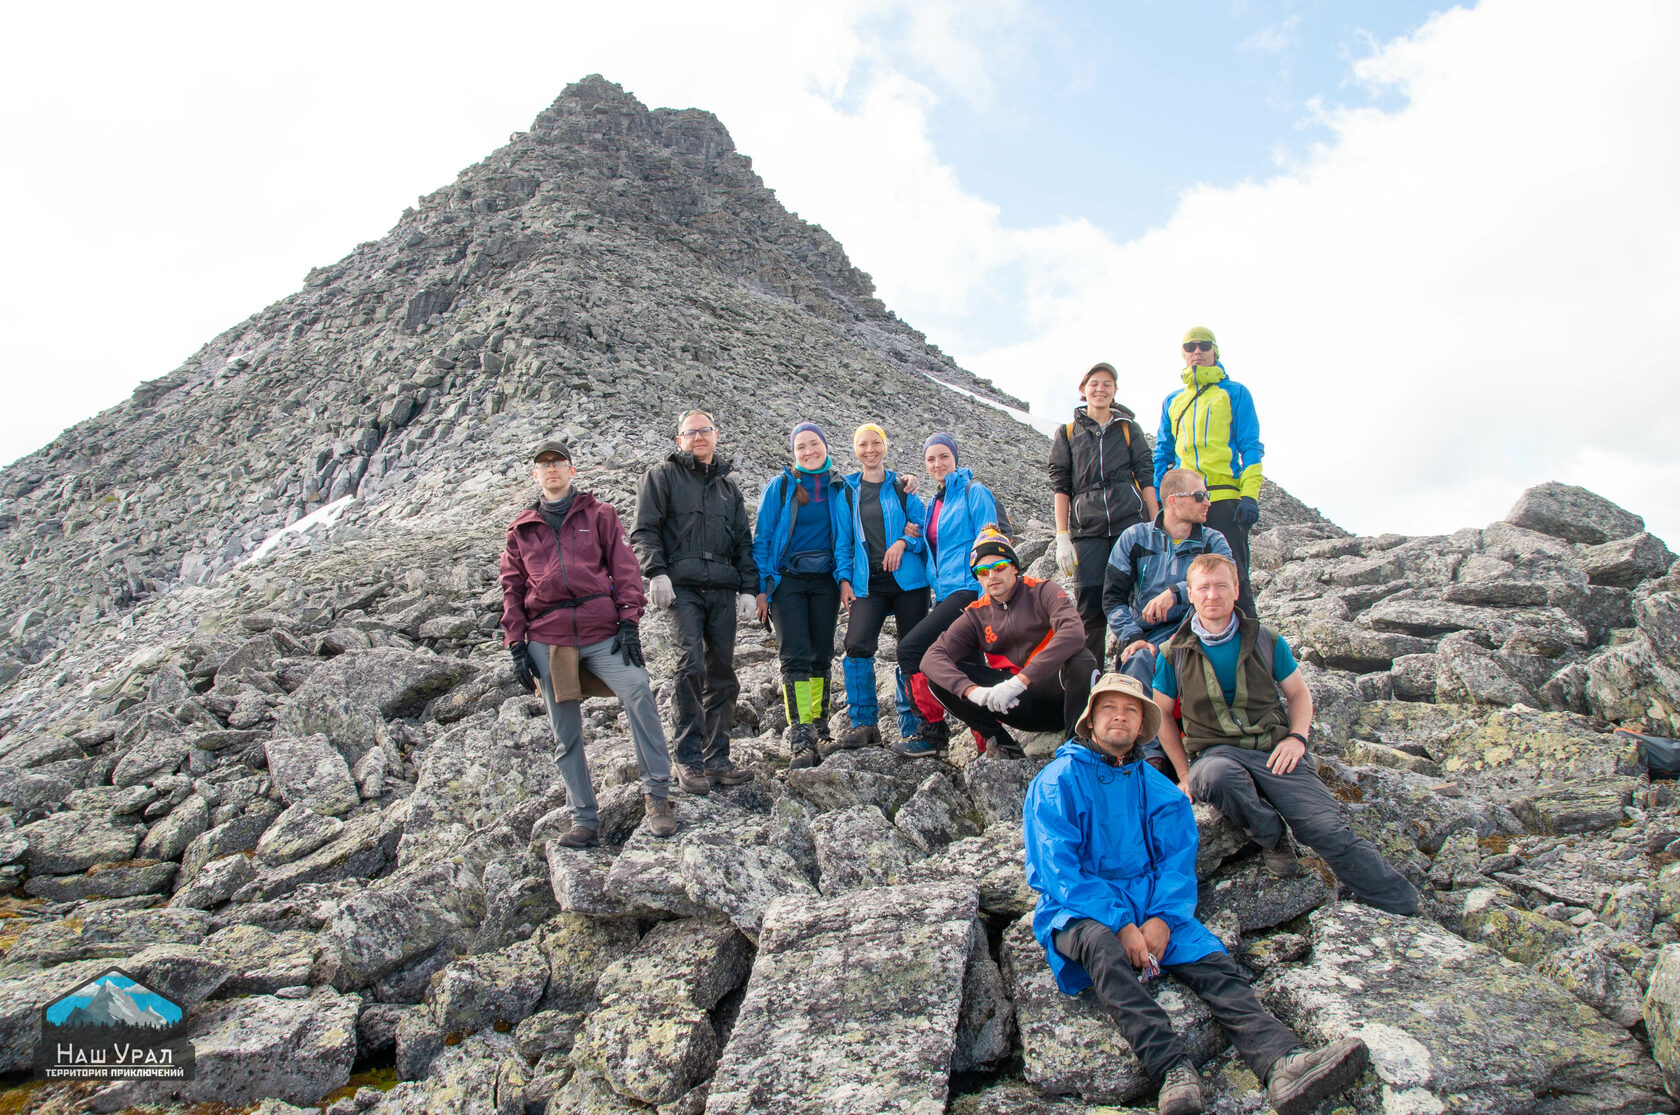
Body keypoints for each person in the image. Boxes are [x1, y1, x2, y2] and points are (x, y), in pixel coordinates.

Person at [1023, 672, 1371, 1115]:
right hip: (1076, 908)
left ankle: (1282, 1063)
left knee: (1214, 964)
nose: (1120, 717)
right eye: (1109, 708)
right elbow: (1057, 869)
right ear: (1090, 720)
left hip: (1152, 905)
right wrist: (1122, 925)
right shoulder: (1057, 780)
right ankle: (1172, 1070)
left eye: (1131, 710)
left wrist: (1163, 918)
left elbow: (1177, 862)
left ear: (1142, 725)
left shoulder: (1160, 789)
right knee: (1101, 946)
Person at [1153, 554, 1419, 913]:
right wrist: (1185, 775)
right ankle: (1273, 838)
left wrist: (1297, 738)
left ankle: (1401, 905)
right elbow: (1162, 716)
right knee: (1216, 777)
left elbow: (1298, 694)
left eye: (1220, 586)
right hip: (1215, 754)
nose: (1212, 595)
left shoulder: (1266, 639)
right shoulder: (1172, 652)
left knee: (1325, 829)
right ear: (1191, 593)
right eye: (1203, 587)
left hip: (1274, 749)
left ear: (1236, 591)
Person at [503, 440, 675, 846]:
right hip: (549, 638)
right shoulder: (521, 529)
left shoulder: (600, 515)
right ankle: (584, 818)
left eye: (558, 463)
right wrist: (516, 644)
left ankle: (658, 796)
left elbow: (625, 569)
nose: (551, 470)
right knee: (565, 731)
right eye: (543, 464)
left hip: (603, 631)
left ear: (571, 470)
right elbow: (511, 589)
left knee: (638, 692)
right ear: (535, 475)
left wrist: (629, 622)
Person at [630, 410, 759, 796]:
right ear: (679, 440)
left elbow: (742, 543)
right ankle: (687, 758)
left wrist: (749, 588)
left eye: (705, 430)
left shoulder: (729, 490)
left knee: (721, 672)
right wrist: (656, 572)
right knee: (690, 665)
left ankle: (717, 759)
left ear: (716, 435)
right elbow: (644, 529)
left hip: (721, 589)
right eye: (691, 432)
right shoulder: (662, 477)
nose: (699, 437)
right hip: (681, 588)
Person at [919, 528, 1098, 759]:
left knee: (1082, 659)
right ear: (978, 578)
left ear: (1014, 566)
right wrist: (974, 693)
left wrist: (1021, 680)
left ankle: (1078, 747)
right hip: (1018, 705)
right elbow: (932, 658)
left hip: (1060, 694)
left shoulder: (1042, 590)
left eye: (999, 567)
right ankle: (1002, 743)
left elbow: (1073, 632)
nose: (991, 575)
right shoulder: (976, 615)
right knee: (938, 679)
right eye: (983, 571)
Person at [1102, 466, 1233, 779]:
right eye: (1201, 495)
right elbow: (1112, 598)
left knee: (1176, 658)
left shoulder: (1214, 541)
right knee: (1139, 659)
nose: (1208, 502)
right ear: (1173, 501)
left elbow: (1229, 583)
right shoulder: (1134, 538)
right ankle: (1151, 758)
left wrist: (1176, 593)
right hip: (1143, 633)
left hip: (1194, 630)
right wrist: (1132, 636)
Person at [891, 433, 1009, 757]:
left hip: (969, 592)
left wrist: (988, 589)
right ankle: (992, 742)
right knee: (962, 665)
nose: (937, 464)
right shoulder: (934, 504)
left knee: (911, 651)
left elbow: (989, 538)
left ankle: (933, 733)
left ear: (955, 458)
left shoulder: (974, 492)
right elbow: (934, 548)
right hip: (944, 595)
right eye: (931, 459)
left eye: (943, 456)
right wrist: (907, 539)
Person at [754, 422, 852, 769]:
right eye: (801, 447)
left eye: (815, 444)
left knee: (822, 654)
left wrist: (907, 482)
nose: (809, 452)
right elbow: (763, 538)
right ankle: (801, 733)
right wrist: (762, 588)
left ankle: (819, 724)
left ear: (826, 446)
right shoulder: (780, 487)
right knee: (794, 655)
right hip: (787, 581)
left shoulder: (841, 486)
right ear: (793, 454)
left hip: (825, 580)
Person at [831, 423, 931, 753]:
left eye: (876, 443)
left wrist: (903, 541)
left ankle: (915, 726)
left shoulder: (903, 487)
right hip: (867, 582)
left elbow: (925, 529)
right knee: (857, 644)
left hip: (909, 582)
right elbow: (843, 541)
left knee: (912, 650)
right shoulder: (847, 490)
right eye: (863, 444)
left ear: (885, 447)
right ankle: (865, 725)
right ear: (855, 449)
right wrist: (844, 580)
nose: (870, 449)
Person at [1050, 361, 1159, 665]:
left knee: (1136, 600)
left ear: (1115, 391)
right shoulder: (1068, 433)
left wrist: (1156, 524)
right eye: (1094, 383)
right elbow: (1061, 487)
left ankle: (1138, 672)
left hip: (1130, 526)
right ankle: (1092, 680)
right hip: (1088, 531)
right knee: (1090, 608)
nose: (1100, 389)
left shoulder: (1128, 429)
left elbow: (1146, 477)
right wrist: (1062, 535)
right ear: (1083, 391)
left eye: (1107, 384)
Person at [1153, 327, 1264, 617]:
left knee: (1232, 580)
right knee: (1189, 582)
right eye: (1190, 347)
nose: (1197, 352)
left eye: (1204, 346)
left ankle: (1252, 657)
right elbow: (1163, 454)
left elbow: (1251, 447)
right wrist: (1162, 503)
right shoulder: (1172, 401)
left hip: (1224, 498)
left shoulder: (1235, 393)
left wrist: (1249, 496)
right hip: (1184, 503)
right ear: (1184, 353)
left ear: (1215, 351)